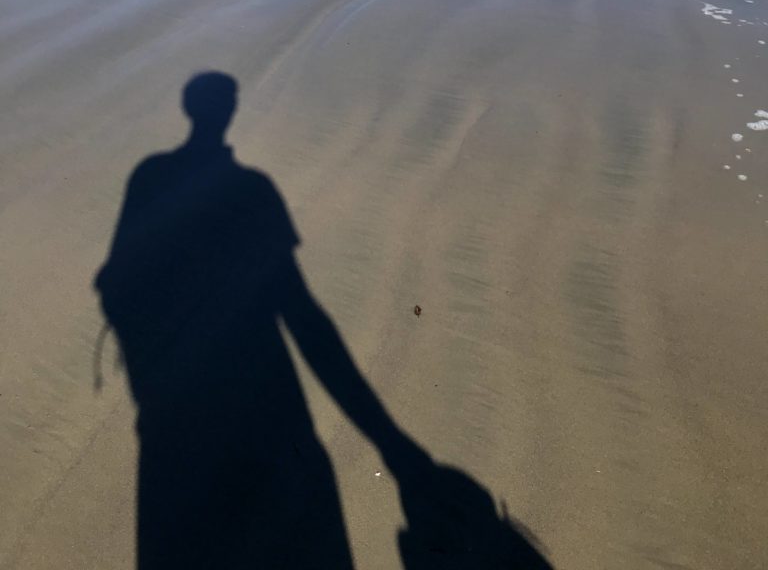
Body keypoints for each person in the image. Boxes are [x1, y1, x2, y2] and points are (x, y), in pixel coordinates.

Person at [95, 72, 553, 569]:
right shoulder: (253, 190)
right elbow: (300, 313)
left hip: (171, 409)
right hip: (265, 401)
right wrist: (387, 440)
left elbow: (114, 286)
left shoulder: (149, 176)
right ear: (229, 111)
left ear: (191, 110)